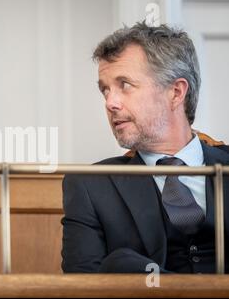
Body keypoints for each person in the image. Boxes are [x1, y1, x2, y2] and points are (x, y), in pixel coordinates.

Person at [62, 22, 229, 273]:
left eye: (124, 85)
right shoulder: (90, 184)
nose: (110, 103)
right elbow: (81, 288)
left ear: (175, 92)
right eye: (105, 90)